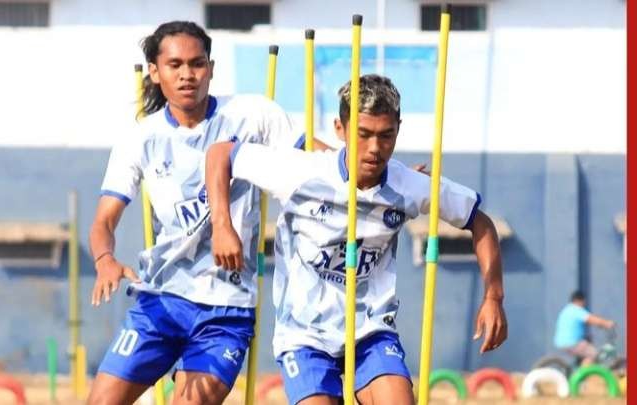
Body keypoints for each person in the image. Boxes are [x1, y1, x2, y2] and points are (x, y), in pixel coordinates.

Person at [206, 74, 508, 405]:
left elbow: (481, 223)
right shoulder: (299, 171)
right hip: (304, 335)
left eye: (386, 136)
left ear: (398, 129)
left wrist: (493, 297)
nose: (375, 149)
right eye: (364, 135)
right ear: (341, 129)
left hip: (370, 332)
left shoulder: (410, 186)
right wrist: (222, 224)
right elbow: (221, 154)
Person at [86, 20, 328, 405]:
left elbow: (317, 158)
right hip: (161, 300)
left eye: (197, 64)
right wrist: (104, 259)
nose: (187, 75)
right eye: (175, 65)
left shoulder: (252, 114)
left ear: (211, 69)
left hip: (226, 308)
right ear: (154, 71)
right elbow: (103, 221)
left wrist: (382, 172)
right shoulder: (140, 138)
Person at [553, 290, 615, 366]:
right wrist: (607, 323)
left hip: (561, 342)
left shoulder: (567, 310)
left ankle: (580, 366)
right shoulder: (576, 310)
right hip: (572, 342)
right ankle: (582, 375)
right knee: (593, 354)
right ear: (579, 301)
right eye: (584, 302)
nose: (584, 304)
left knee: (586, 342)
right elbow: (591, 319)